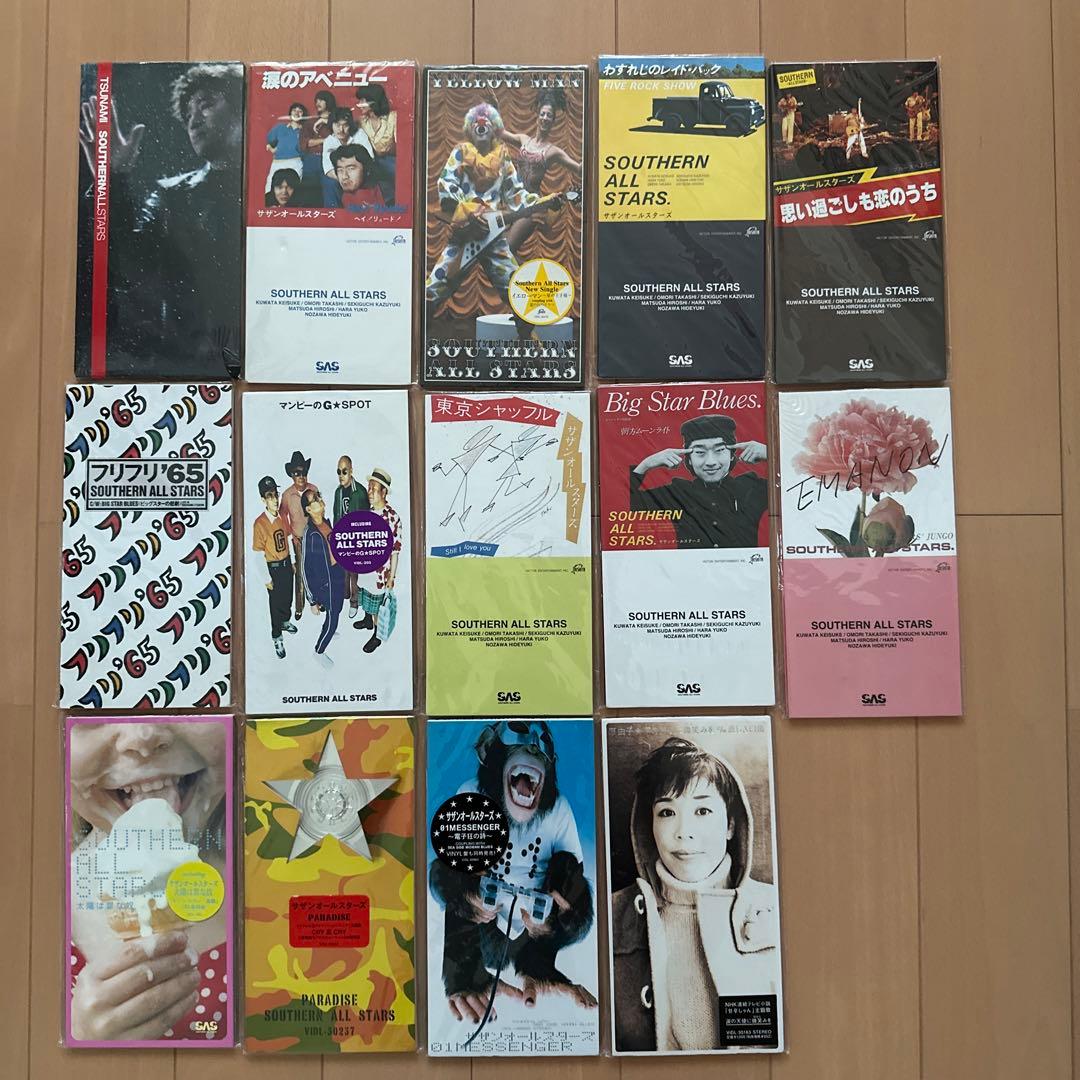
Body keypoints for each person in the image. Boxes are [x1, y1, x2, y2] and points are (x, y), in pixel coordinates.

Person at [610, 737, 780, 1053]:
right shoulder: (609, 916)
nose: (683, 832)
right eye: (666, 812)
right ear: (649, 826)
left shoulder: (777, 908)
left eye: (702, 810)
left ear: (730, 825)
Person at [76, 63, 244, 374]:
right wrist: (112, 180)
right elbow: (128, 264)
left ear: (243, 108)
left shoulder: (284, 184)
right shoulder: (173, 195)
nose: (194, 121)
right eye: (188, 115)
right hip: (193, 363)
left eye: (206, 104)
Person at [68, 720, 229, 1042]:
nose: (142, 737)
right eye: (95, 711)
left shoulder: (280, 879)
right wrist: (80, 1038)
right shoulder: (27, 895)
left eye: (190, 702)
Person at [425, 101, 543, 313]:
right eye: (476, 123)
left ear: (494, 129)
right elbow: (446, 183)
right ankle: (417, 324)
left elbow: (515, 193)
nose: (481, 125)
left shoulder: (503, 157)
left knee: (515, 289)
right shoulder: (461, 152)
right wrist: (469, 211)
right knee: (436, 286)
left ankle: (527, 329)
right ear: (470, 130)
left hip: (493, 235)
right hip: (465, 233)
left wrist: (539, 203)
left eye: (487, 122)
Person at [630, 415, 767, 549]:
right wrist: (646, 464)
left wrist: (769, 454)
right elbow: (629, 502)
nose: (710, 462)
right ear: (689, 458)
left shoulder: (751, 488)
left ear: (732, 455)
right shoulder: (678, 492)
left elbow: (782, 493)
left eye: (719, 450)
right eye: (700, 452)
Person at [496, 88, 581, 253]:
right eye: (543, 114)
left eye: (549, 115)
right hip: (511, 200)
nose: (545, 118)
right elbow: (500, 132)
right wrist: (494, 105)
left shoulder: (553, 152)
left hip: (531, 205)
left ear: (553, 121)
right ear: (537, 115)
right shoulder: (523, 140)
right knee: (498, 251)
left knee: (507, 250)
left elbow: (578, 169)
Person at [352, 467, 402, 654]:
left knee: (376, 605)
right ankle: (367, 620)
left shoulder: (392, 518)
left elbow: (395, 550)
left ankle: (376, 635)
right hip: (365, 568)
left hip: (380, 574)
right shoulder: (368, 513)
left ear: (384, 492)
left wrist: (392, 577)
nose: (370, 492)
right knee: (365, 595)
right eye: (369, 488)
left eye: (374, 489)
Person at [251, 476, 297, 658]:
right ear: (263, 500)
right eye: (270, 496)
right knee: (275, 603)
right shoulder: (260, 523)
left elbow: (287, 539)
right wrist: (266, 578)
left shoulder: (281, 517)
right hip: (274, 568)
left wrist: (292, 561)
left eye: (276, 495)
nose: (275, 500)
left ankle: (285, 621)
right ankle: (277, 635)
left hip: (286, 564)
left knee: (287, 597)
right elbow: (257, 555)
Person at [300, 488, 346, 669]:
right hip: (326, 583)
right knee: (334, 618)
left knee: (337, 609)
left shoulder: (327, 522)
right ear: (308, 509)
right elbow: (304, 569)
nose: (320, 500)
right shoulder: (309, 534)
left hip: (337, 573)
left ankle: (328, 628)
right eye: (315, 499)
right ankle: (319, 651)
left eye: (319, 496)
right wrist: (312, 600)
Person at [278, 451, 315, 623]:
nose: (301, 476)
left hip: (314, 539)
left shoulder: (313, 490)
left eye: (303, 472)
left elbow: (320, 512)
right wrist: (290, 534)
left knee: (315, 570)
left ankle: (316, 600)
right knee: (299, 573)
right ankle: (299, 607)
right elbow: (282, 515)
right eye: (297, 473)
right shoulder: (287, 495)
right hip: (298, 540)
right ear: (292, 475)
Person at [332, 456, 370, 620]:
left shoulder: (360, 492)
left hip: (356, 540)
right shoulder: (338, 492)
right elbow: (336, 514)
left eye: (344, 471)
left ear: (351, 471)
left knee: (354, 574)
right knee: (343, 571)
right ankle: (345, 595)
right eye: (338, 472)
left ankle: (354, 603)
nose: (341, 475)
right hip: (342, 538)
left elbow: (367, 519)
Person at [321, 107, 375, 207]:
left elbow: (369, 160)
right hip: (340, 176)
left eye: (345, 125)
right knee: (328, 182)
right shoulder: (328, 141)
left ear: (350, 125)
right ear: (331, 125)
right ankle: (333, 213)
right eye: (337, 125)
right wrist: (345, 179)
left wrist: (353, 178)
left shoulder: (359, 135)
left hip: (360, 175)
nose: (341, 130)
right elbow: (328, 169)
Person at [353, 83, 398, 204]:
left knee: (393, 169)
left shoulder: (393, 117)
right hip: (370, 162)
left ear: (373, 101)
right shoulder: (360, 121)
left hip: (391, 160)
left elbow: (402, 146)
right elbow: (341, 124)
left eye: (362, 100)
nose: (359, 104)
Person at [300, 90, 336, 197]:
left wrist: (327, 122)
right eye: (316, 101)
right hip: (311, 159)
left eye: (321, 100)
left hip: (330, 159)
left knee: (330, 190)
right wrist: (325, 140)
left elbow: (341, 138)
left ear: (328, 101)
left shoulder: (337, 120)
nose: (317, 103)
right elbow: (305, 143)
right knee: (308, 193)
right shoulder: (310, 122)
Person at [329, 144, 386, 211]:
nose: (344, 176)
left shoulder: (385, 193)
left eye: (351, 169)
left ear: (366, 169)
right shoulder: (344, 197)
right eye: (340, 170)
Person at [264, 101, 305, 192]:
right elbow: (269, 139)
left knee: (292, 190)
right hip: (278, 162)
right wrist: (271, 148)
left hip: (295, 163)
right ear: (290, 113)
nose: (297, 113)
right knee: (270, 189)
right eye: (294, 110)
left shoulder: (305, 131)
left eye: (300, 111)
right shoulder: (280, 127)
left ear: (303, 115)